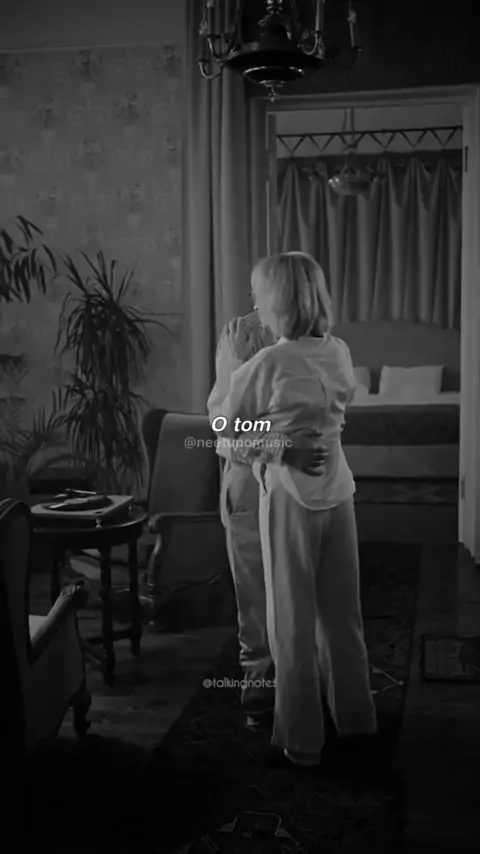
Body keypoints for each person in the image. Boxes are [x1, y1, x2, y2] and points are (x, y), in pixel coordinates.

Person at [217, 251, 377, 768]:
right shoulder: (338, 352)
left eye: (258, 293)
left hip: (302, 496)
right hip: (329, 492)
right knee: (338, 614)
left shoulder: (270, 362)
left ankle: (308, 737)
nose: (253, 304)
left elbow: (224, 430)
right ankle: (351, 721)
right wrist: (285, 446)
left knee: (296, 617)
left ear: (278, 299)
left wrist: (283, 448)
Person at [207, 308, 329, 728]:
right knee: (254, 586)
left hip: (302, 482)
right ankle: (258, 681)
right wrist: (280, 447)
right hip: (249, 479)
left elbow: (317, 424)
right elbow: (224, 426)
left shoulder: (315, 338)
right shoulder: (238, 338)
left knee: (306, 583)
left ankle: (308, 682)